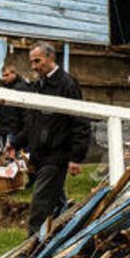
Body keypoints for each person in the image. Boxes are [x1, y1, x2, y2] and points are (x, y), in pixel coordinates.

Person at [8, 41, 89, 237]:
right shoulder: (39, 86)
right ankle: (65, 234)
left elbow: (80, 121)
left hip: (57, 154)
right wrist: (15, 142)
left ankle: (31, 250)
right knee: (57, 202)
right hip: (40, 154)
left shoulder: (67, 84)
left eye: (38, 61)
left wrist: (76, 157)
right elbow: (32, 123)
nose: (34, 66)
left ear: (50, 58)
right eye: (31, 62)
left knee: (40, 203)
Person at [0, 66, 32, 156]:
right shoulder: (5, 89)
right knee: (4, 156)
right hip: (5, 128)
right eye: (3, 76)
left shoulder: (20, 88)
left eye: (7, 75)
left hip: (14, 130)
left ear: (14, 74)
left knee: (12, 157)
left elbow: (25, 112)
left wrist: (22, 132)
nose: (4, 78)